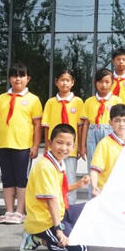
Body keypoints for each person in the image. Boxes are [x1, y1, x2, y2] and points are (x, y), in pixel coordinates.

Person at [20, 123, 90, 251]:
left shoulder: (57, 161)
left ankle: (63, 232)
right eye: (59, 143)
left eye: (68, 144)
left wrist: (78, 185)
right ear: (50, 143)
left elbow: (57, 190)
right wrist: (59, 230)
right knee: (79, 250)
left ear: (74, 146)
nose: (64, 148)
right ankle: (36, 238)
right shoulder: (45, 166)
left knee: (92, 209)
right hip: (45, 221)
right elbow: (51, 199)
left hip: (60, 212)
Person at [0, 62, 42, 224]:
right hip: (4, 145)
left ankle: (20, 211)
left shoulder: (33, 100)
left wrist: (35, 145)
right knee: (7, 179)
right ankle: (9, 210)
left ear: (28, 79)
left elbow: (37, 124)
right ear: (10, 78)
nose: (17, 79)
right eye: (14, 75)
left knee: (21, 179)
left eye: (21, 75)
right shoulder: (2, 98)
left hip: (23, 146)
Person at [41, 69, 83, 206]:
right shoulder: (51, 102)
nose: (64, 83)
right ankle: (56, 206)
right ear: (56, 82)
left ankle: (69, 207)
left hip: (70, 148)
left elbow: (80, 126)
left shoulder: (78, 102)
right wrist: (47, 145)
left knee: (70, 177)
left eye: (67, 80)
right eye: (62, 80)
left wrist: (80, 146)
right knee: (54, 177)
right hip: (54, 148)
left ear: (72, 83)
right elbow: (46, 125)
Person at [79, 69, 120, 168]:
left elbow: (120, 123)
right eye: (100, 82)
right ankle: (93, 183)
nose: (104, 85)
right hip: (92, 133)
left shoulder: (117, 100)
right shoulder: (89, 101)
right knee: (93, 163)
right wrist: (82, 146)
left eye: (107, 82)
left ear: (112, 83)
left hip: (110, 132)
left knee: (110, 163)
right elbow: (85, 124)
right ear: (95, 83)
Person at [89, 104, 125, 197]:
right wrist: (94, 187)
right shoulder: (104, 144)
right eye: (117, 121)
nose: (121, 124)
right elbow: (95, 169)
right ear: (110, 122)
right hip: (106, 191)